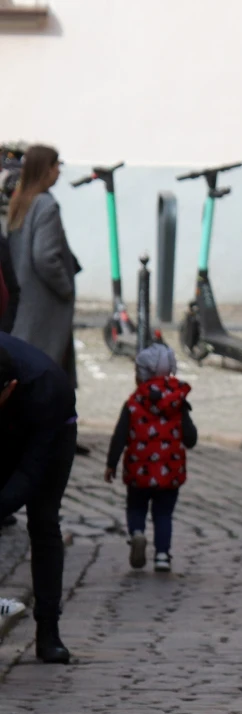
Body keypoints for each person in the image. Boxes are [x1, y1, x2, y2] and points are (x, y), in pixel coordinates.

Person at [0, 332, 78, 664]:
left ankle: (48, 631)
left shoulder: (47, 388)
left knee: (44, 522)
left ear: (9, 387)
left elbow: (30, 475)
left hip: (53, 433)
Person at [103, 346, 198, 574]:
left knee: (136, 506)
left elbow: (120, 435)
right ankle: (163, 555)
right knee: (163, 514)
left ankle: (137, 533)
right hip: (170, 469)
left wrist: (111, 463)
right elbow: (191, 438)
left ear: (140, 375)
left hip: (138, 469)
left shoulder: (134, 402)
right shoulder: (178, 403)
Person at [7, 145, 80, 389]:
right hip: (43, 305)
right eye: (56, 165)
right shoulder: (46, 205)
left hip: (24, 301)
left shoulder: (21, 202)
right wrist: (66, 288)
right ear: (46, 170)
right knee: (45, 377)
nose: (59, 171)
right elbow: (45, 256)